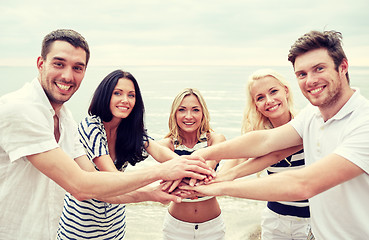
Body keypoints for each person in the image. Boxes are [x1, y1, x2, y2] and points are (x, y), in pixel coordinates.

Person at [0, 29, 214, 240]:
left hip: (69, 230)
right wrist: (162, 173)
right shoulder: (22, 110)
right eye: (59, 64)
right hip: (63, 231)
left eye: (77, 67)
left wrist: (174, 180)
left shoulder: (65, 120)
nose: (67, 75)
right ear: (40, 63)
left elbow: (99, 184)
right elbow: (81, 186)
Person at [182, 30, 369, 239]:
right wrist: (200, 156)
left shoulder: (364, 124)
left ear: (343, 67)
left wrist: (220, 188)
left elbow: (302, 185)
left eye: (319, 69)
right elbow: (265, 140)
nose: (310, 81)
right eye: (302, 74)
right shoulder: (312, 116)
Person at [57, 69, 187, 239]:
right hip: (80, 227)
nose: (125, 100)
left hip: (115, 224)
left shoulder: (129, 129)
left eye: (131, 95)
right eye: (117, 93)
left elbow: (159, 151)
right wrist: (154, 189)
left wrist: (191, 168)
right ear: (105, 95)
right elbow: (112, 177)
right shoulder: (91, 127)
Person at [219, 69, 310, 240]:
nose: (269, 100)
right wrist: (211, 180)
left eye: (273, 91)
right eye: (260, 97)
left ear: (286, 91)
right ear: (255, 105)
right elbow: (237, 159)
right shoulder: (258, 133)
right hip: (274, 220)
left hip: (310, 220)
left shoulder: (306, 125)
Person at [159, 88, 226, 240]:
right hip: (176, 227)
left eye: (195, 110)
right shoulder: (166, 146)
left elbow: (205, 172)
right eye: (182, 110)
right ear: (174, 114)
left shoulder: (215, 140)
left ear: (203, 113)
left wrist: (181, 178)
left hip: (212, 226)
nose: (188, 116)